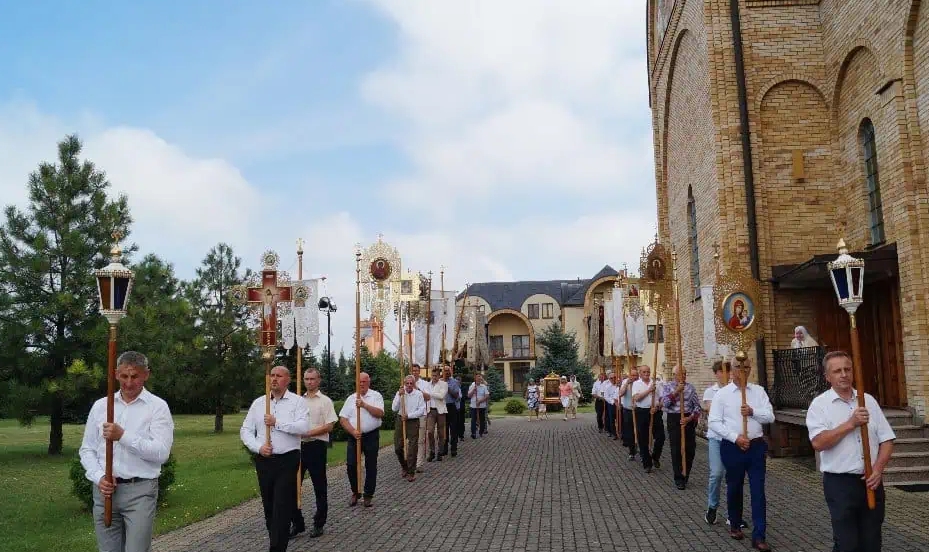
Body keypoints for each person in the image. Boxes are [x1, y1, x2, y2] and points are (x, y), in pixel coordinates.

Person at [79, 351, 174, 552]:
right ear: (115, 374)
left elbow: (161, 453)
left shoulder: (157, 407)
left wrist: (123, 436)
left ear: (146, 375)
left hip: (140, 491)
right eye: (124, 376)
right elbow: (87, 450)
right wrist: (99, 476)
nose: (129, 383)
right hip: (105, 492)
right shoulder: (101, 406)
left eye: (135, 376)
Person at [806, 350, 896, 552]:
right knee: (847, 544)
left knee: (872, 543)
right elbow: (818, 443)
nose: (844, 374)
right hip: (840, 485)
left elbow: (887, 440)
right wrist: (851, 424)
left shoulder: (868, 401)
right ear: (827, 377)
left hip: (871, 482)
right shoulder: (819, 406)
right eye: (837, 371)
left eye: (847, 369)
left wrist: (878, 469)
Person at [240, 366, 310, 552]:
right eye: (272, 375)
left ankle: (277, 547)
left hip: (288, 459)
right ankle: (275, 540)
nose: (274, 379)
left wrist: (277, 423)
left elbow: (303, 428)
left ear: (288, 380)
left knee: (282, 503)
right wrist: (258, 447)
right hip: (265, 460)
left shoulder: (297, 402)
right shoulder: (259, 403)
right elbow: (245, 430)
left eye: (278, 376)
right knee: (269, 505)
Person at [707, 360, 774, 551]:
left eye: (746, 367)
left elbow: (770, 416)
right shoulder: (722, 394)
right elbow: (714, 422)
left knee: (758, 490)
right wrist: (735, 437)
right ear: (732, 370)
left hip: (756, 446)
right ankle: (735, 523)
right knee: (734, 486)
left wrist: (753, 412)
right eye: (738, 367)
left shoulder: (758, 391)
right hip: (732, 446)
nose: (742, 371)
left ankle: (759, 535)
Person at [290, 369, 338, 539]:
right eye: (306, 379)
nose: (309, 382)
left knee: (319, 486)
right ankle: (297, 522)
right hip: (298, 447)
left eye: (312, 379)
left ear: (319, 380)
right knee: (293, 486)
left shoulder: (325, 401)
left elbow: (330, 425)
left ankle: (319, 523)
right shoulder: (297, 401)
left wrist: (308, 433)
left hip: (316, 446)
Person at [339, 372, 385, 507]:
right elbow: (343, 419)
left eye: (364, 382)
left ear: (368, 382)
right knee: (351, 465)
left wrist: (364, 405)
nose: (361, 384)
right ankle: (355, 491)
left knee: (371, 465)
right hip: (355, 437)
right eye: (359, 382)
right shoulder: (350, 398)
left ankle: (368, 494)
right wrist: (353, 431)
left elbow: (380, 413)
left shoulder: (376, 396)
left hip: (371, 436)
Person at [660, 365, 702, 490]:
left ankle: (685, 474)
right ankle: (678, 478)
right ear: (674, 375)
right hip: (674, 418)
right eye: (680, 374)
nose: (683, 376)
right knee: (676, 449)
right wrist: (677, 391)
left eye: (684, 373)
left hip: (687, 419)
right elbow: (665, 404)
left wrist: (690, 418)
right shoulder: (668, 386)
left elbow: (697, 407)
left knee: (690, 449)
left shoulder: (690, 388)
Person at [703, 360, 731, 526]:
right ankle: (712, 506)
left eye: (727, 370)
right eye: (722, 371)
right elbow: (709, 408)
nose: (725, 374)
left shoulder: (735, 391)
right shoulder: (710, 391)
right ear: (717, 373)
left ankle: (732, 512)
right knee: (716, 473)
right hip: (716, 438)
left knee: (732, 476)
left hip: (732, 438)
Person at [392, 375, 426, 481]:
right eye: (407, 383)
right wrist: (399, 396)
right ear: (404, 384)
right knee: (398, 447)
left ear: (414, 384)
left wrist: (409, 415)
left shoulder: (419, 394)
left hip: (412, 420)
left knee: (412, 446)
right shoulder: (400, 393)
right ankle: (404, 466)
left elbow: (422, 410)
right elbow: (394, 408)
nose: (409, 385)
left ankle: (411, 471)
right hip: (400, 419)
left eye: (411, 383)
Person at [632, 364, 664, 473]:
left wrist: (658, 405)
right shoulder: (636, 384)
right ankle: (647, 463)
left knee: (661, 437)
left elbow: (661, 399)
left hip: (655, 411)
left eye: (648, 372)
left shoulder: (656, 383)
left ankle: (655, 456)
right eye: (644, 372)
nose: (646, 374)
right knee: (643, 438)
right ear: (640, 373)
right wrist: (649, 390)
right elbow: (636, 398)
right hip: (642, 411)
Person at [422, 367, 448, 462]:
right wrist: (429, 394)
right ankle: (432, 451)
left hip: (440, 411)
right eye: (432, 375)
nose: (434, 377)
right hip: (430, 411)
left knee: (441, 433)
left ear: (439, 375)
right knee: (430, 431)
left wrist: (430, 394)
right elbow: (425, 397)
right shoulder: (427, 385)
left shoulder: (444, 384)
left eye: (436, 376)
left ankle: (440, 452)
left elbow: (441, 396)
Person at [618, 368, 639, 460]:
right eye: (633, 375)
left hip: (638, 410)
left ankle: (641, 451)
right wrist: (627, 384)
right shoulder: (625, 382)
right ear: (629, 375)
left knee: (639, 431)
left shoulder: (639, 383)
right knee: (630, 432)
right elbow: (620, 393)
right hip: (628, 410)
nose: (635, 377)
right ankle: (632, 452)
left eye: (636, 375)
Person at [442, 365, 461, 457]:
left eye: (448, 370)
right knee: (444, 428)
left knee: (453, 428)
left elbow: (456, 396)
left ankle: (453, 449)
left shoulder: (455, 382)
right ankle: (444, 448)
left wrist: (448, 388)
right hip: (442, 407)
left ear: (450, 371)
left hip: (451, 406)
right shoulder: (440, 382)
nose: (447, 372)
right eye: (445, 370)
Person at [469, 373, 489, 438]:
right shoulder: (472, 386)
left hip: (482, 406)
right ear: (475, 378)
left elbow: (487, 396)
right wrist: (473, 390)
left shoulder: (484, 386)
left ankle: (481, 432)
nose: (478, 378)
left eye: (480, 377)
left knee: (482, 420)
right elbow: (469, 396)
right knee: (473, 420)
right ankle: (473, 433)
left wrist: (480, 401)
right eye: (477, 377)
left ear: (481, 379)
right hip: (473, 406)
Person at [602, 372, 618, 438]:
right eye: (611, 378)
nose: (613, 379)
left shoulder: (619, 385)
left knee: (620, 418)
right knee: (611, 419)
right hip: (611, 404)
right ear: (609, 379)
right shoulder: (607, 387)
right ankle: (613, 433)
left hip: (619, 404)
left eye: (614, 377)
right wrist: (613, 402)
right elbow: (606, 397)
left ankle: (620, 432)